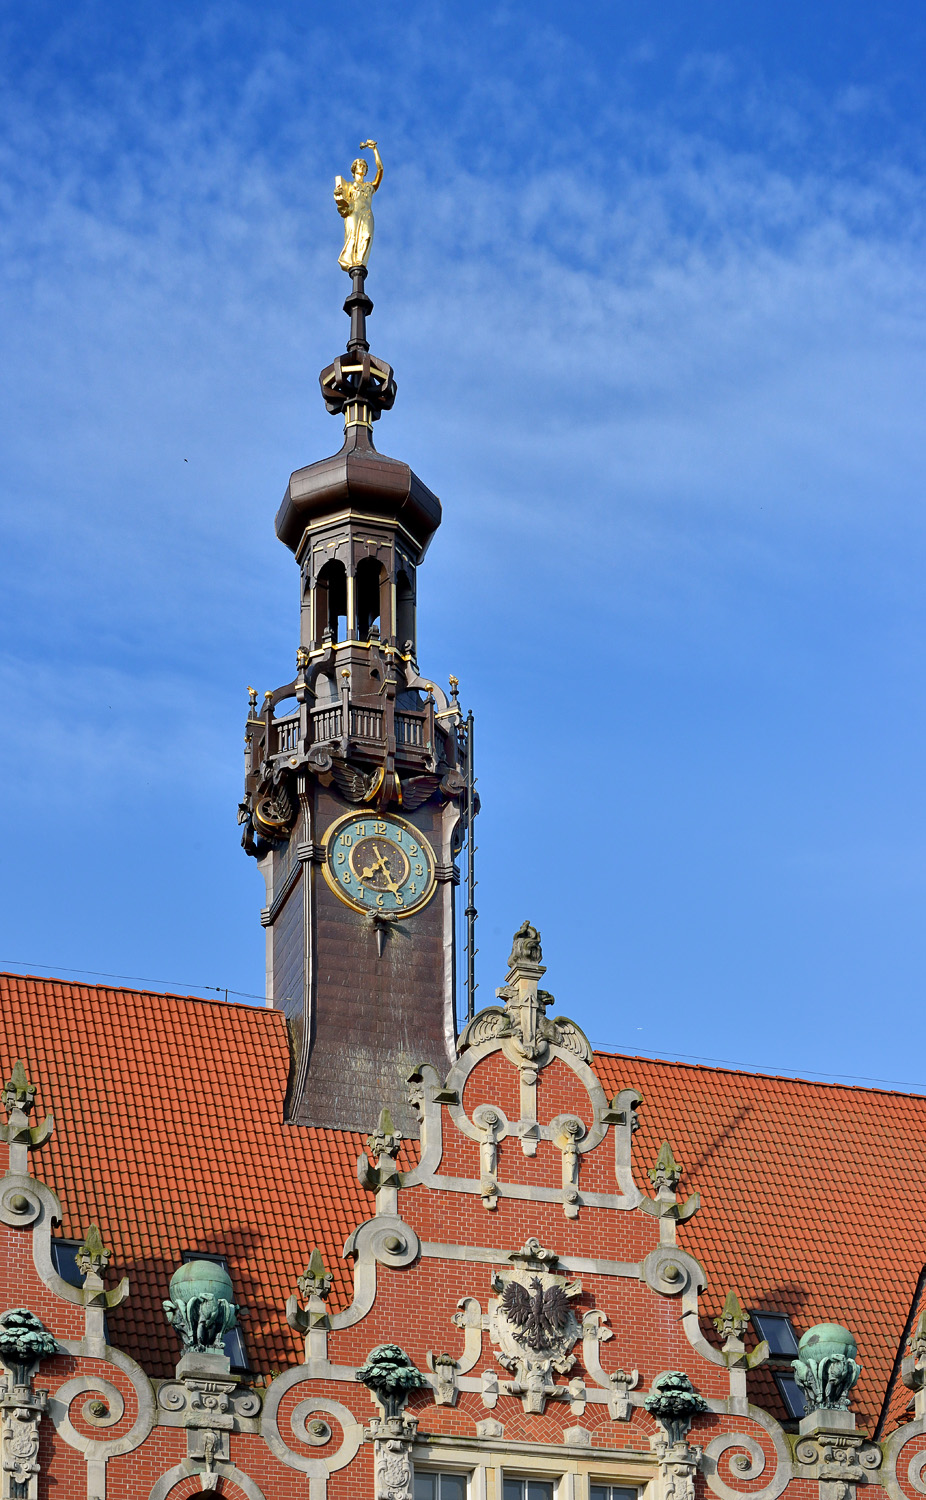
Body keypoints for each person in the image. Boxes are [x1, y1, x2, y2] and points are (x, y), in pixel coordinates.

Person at [334, 141, 383, 271]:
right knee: (352, 237)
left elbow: (380, 170)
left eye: (364, 165)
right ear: (354, 169)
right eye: (359, 165)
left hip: (367, 213)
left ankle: (360, 263)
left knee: (367, 237)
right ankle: (351, 264)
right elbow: (342, 200)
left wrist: (375, 150)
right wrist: (338, 195)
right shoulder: (349, 185)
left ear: (366, 170)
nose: (362, 167)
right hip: (353, 211)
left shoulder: (370, 186)